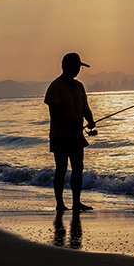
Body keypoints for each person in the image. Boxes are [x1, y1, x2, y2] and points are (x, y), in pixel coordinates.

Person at [44, 52, 96, 212]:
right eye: (76, 67)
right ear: (66, 67)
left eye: (79, 67)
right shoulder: (55, 87)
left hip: (76, 136)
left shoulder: (79, 86)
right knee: (61, 169)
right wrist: (72, 125)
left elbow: (85, 108)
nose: (78, 70)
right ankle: (60, 204)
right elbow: (55, 114)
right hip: (59, 136)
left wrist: (91, 121)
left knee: (78, 168)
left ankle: (76, 203)